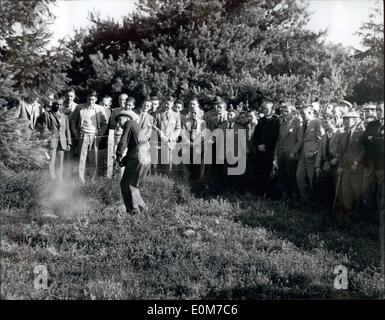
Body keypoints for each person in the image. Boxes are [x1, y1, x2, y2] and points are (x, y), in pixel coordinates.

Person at [116, 111, 151, 215]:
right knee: (134, 185)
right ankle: (143, 208)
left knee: (126, 184)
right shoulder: (136, 126)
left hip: (139, 155)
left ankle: (133, 212)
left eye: (119, 120)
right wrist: (123, 161)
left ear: (126, 118)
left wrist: (118, 155)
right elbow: (134, 146)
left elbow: (123, 140)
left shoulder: (129, 123)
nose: (119, 124)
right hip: (145, 155)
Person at [70, 90, 108, 183]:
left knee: (93, 158)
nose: (91, 102)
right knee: (81, 158)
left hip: (94, 136)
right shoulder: (80, 107)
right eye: (89, 99)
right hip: (83, 135)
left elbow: (105, 123)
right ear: (86, 98)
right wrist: (75, 133)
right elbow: (73, 121)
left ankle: (92, 179)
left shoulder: (100, 109)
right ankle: (80, 180)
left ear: (96, 99)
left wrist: (100, 134)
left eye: (93, 100)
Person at [335, 111, 365, 220]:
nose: (345, 121)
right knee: (346, 192)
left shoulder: (362, 133)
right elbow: (341, 153)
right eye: (344, 119)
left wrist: (356, 163)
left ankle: (359, 217)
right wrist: (340, 166)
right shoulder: (343, 135)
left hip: (356, 167)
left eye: (348, 119)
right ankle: (347, 214)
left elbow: (364, 150)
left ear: (356, 119)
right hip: (346, 167)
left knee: (357, 192)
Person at [296, 105, 325, 204]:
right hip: (302, 155)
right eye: (301, 113)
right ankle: (304, 199)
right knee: (299, 176)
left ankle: (312, 203)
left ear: (310, 112)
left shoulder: (317, 122)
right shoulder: (302, 123)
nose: (302, 115)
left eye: (304, 113)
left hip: (312, 155)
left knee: (311, 178)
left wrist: (313, 151)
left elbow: (321, 139)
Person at [275, 104, 303, 201]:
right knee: (282, 175)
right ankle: (285, 194)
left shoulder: (298, 124)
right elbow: (279, 140)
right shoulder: (282, 124)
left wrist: (294, 152)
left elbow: (300, 141)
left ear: (293, 112)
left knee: (291, 176)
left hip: (291, 154)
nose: (284, 113)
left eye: (287, 111)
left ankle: (294, 196)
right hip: (281, 154)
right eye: (283, 111)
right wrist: (276, 155)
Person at [252, 100, 280, 197]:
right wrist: (258, 145)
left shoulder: (277, 120)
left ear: (272, 109)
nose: (265, 110)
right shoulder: (261, 120)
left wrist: (266, 145)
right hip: (260, 151)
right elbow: (256, 135)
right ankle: (259, 192)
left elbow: (275, 135)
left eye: (267, 108)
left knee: (269, 173)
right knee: (260, 172)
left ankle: (269, 194)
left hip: (270, 151)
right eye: (264, 108)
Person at [38, 100, 72, 181]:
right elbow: (45, 128)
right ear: (53, 105)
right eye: (56, 104)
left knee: (60, 162)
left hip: (62, 142)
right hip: (52, 141)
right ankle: (52, 179)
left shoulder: (64, 116)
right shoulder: (47, 115)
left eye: (60, 105)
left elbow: (67, 130)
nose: (58, 106)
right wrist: (47, 139)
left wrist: (69, 143)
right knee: (51, 161)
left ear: (62, 106)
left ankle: (60, 180)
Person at [362, 102, 384, 218]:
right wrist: (378, 139)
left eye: (380, 110)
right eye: (377, 110)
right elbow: (364, 140)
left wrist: (373, 139)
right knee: (366, 187)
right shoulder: (372, 124)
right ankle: (368, 214)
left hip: (382, 164)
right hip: (370, 162)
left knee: (381, 191)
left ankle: (379, 215)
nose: (378, 112)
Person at [314, 116, 339, 210]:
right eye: (323, 123)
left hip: (336, 164)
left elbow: (343, 149)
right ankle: (323, 207)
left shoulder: (339, 134)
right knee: (322, 185)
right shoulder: (324, 136)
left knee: (335, 186)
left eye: (326, 122)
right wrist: (317, 166)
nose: (324, 125)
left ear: (333, 122)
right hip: (326, 164)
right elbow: (320, 152)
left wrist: (337, 158)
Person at [154, 96, 181, 172]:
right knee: (157, 162)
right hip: (159, 140)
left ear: (172, 105)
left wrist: (171, 137)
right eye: (165, 103)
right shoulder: (157, 113)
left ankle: (168, 178)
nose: (166, 105)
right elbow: (154, 125)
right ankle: (156, 177)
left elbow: (178, 128)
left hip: (170, 141)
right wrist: (159, 132)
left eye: (168, 104)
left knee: (169, 162)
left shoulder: (176, 115)